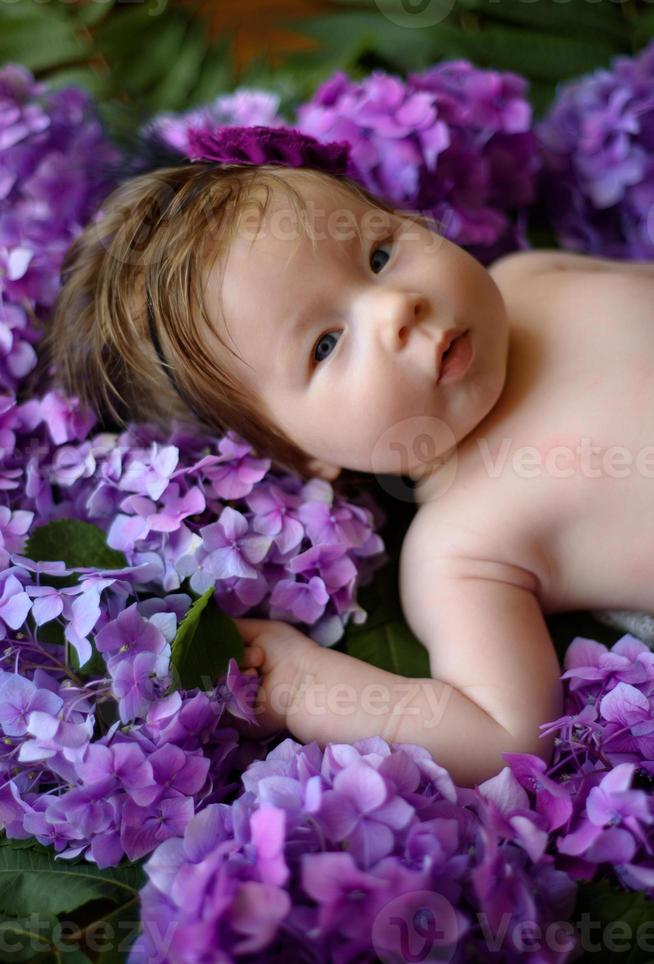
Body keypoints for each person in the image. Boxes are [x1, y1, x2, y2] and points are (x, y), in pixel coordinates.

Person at [44, 125, 654, 787]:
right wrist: (305, 684)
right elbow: (503, 733)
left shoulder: (532, 275)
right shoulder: (464, 547)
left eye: (381, 252)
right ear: (302, 459)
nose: (397, 307)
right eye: (326, 345)